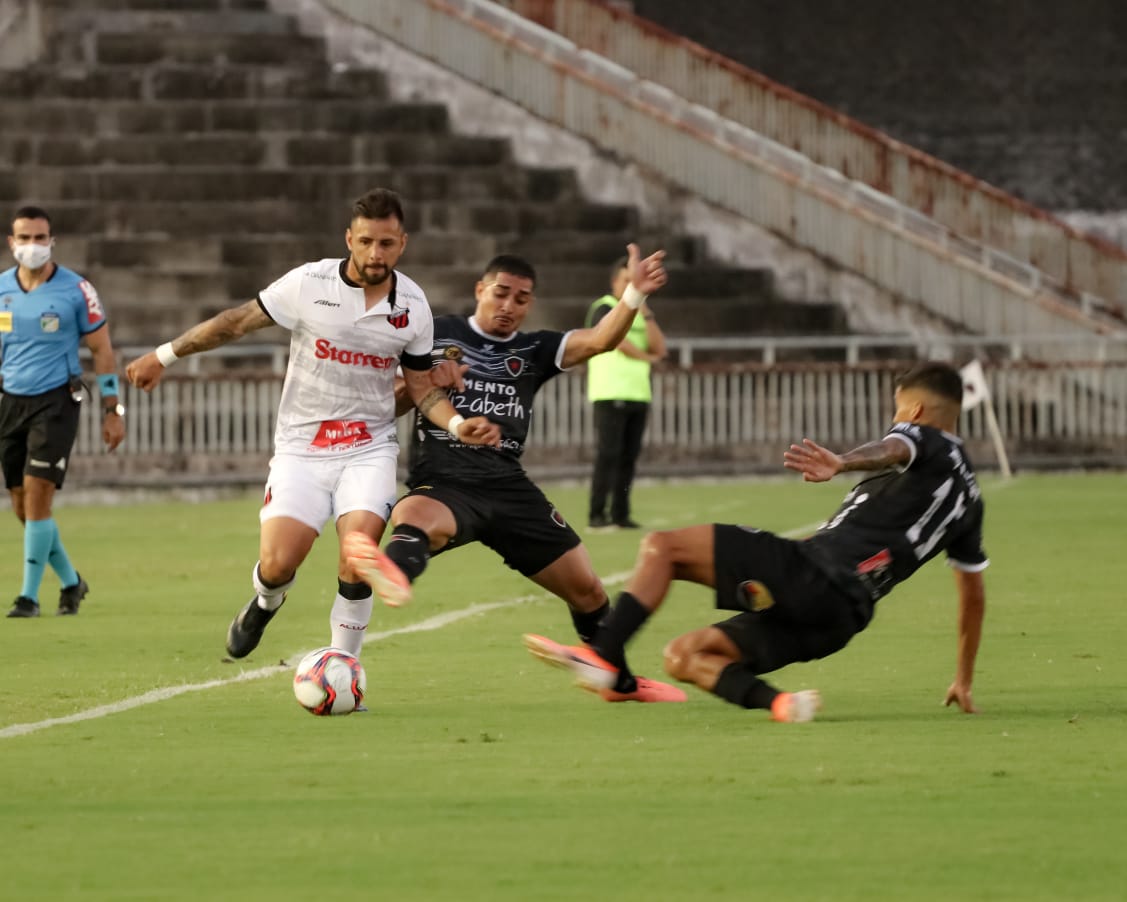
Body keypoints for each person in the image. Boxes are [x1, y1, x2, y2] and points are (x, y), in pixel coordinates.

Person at [126, 188, 500, 661]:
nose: (375, 253)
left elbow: (422, 388)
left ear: (402, 244)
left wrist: (459, 423)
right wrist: (164, 356)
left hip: (369, 448)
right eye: (365, 241)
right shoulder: (309, 283)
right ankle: (266, 600)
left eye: (386, 243)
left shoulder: (413, 307)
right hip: (302, 448)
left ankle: (344, 665)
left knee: (358, 553)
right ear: (349, 238)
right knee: (278, 563)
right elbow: (235, 322)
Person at [525, 362, 988, 722]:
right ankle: (783, 704)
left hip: (814, 571)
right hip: (843, 618)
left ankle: (605, 655)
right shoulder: (969, 499)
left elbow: (896, 446)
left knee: (663, 547)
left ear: (916, 411)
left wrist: (842, 463)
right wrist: (963, 679)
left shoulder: (920, 437)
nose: (895, 420)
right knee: (683, 656)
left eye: (897, 411)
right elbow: (972, 598)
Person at [343, 245, 686, 702]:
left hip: (508, 488)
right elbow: (387, 399)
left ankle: (619, 683)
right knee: (416, 521)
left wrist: (633, 297)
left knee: (586, 589)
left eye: (521, 299)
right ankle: (394, 572)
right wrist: (424, 382)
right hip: (446, 480)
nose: (509, 306)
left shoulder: (535, 348)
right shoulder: (433, 332)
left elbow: (601, 340)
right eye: (500, 294)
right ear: (480, 290)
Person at [1, 205, 126, 618]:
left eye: (40, 238)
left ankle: (28, 597)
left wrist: (113, 409)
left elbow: (102, 350)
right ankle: (72, 582)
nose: (32, 246)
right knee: (22, 506)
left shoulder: (77, 290)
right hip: (10, 402)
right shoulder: (1, 289)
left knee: (38, 497)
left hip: (56, 401)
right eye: (25, 238)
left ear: (51, 241)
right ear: (11, 242)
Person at [585, 255, 666, 529]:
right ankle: (597, 514)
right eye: (626, 280)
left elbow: (661, 349)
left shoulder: (641, 313)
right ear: (614, 283)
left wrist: (646, 312)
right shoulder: (604, 307)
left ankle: (621, 513)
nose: (632, 285)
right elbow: (615, 341)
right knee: (608, 454)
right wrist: (646, 357)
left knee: (628, 458)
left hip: (638, 393)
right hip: (610, 392)